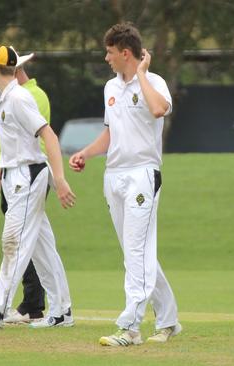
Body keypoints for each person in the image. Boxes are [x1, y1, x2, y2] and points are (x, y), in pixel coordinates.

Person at [68, 23, 181, 346]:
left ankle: (130, 327)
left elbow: (159, 109)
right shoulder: (109, 88)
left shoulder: (154, 82)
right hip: (113, 177)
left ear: (126, 53)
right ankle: (169, 319)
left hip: (143, 174)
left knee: (136, 252)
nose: (107, 58)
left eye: (110, 52)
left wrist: (142, 75)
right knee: (136, 252)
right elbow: (110, 133)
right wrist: (86, 154)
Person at [0, 45, 76, 330]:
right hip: (15, 175)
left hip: (27, 176)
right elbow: (10, 146)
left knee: (12, 242)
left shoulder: (18, 98)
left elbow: (48, 136)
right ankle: (62, 311)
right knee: (42, 248)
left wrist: (60, 179)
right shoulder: (4, 99)